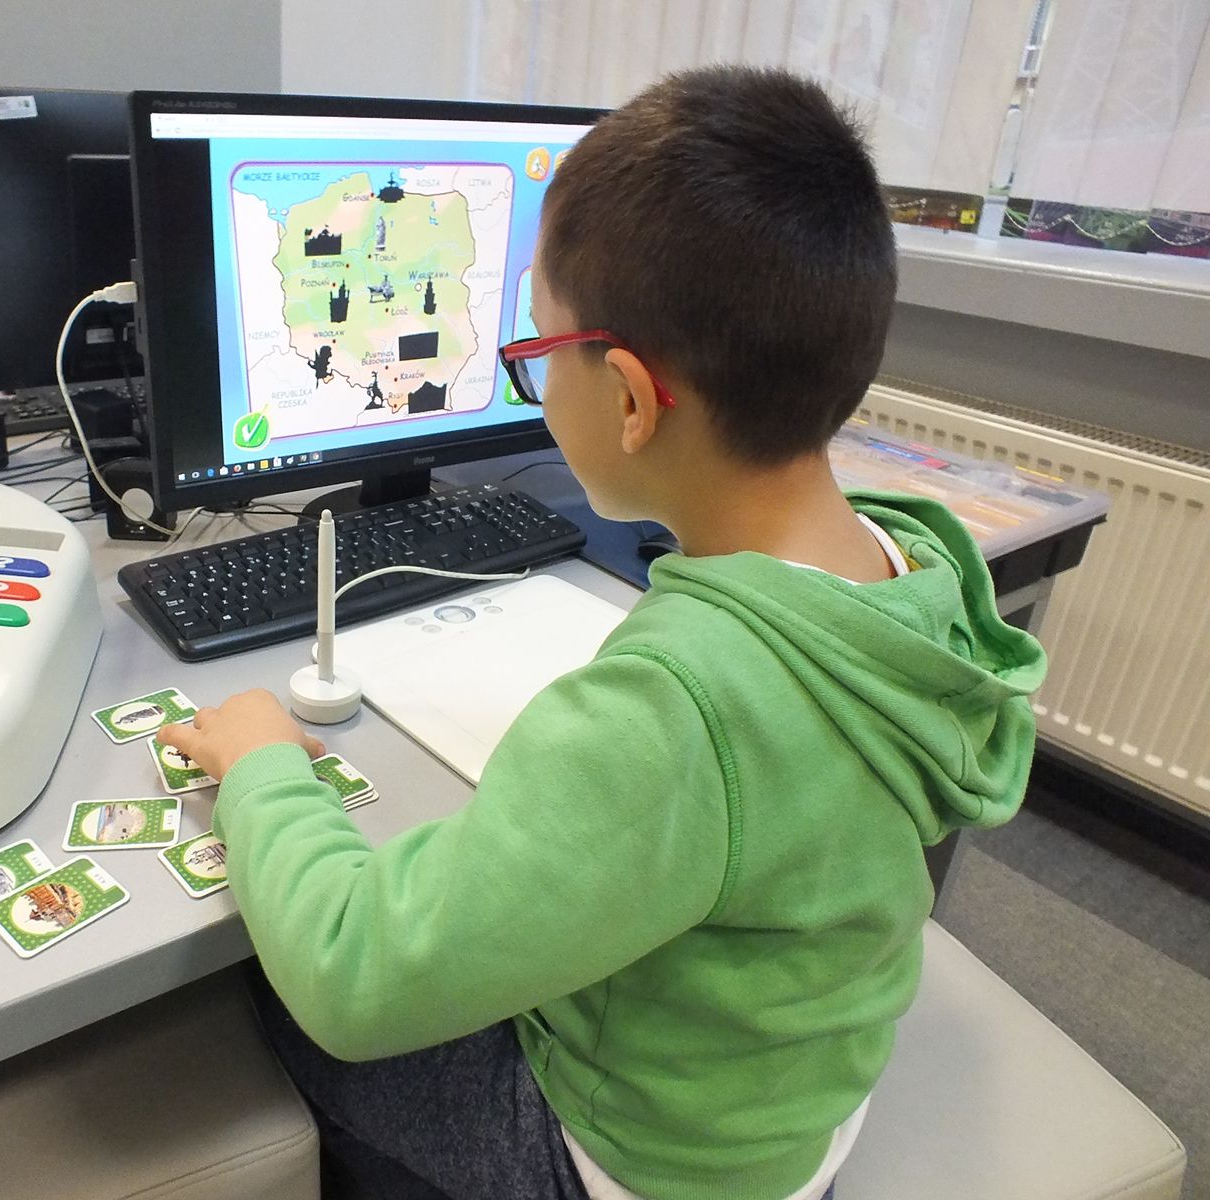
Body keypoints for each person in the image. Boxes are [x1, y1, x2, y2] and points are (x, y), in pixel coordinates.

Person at [158, 65, 1046, 1200]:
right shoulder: (909, 572)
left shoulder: (673, 710)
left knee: (261, 980)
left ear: (629, 398)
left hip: (640, 1163)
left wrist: (262, 766)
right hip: (790, 1102)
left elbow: (354, 974)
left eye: (535, 356)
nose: (532, 384)